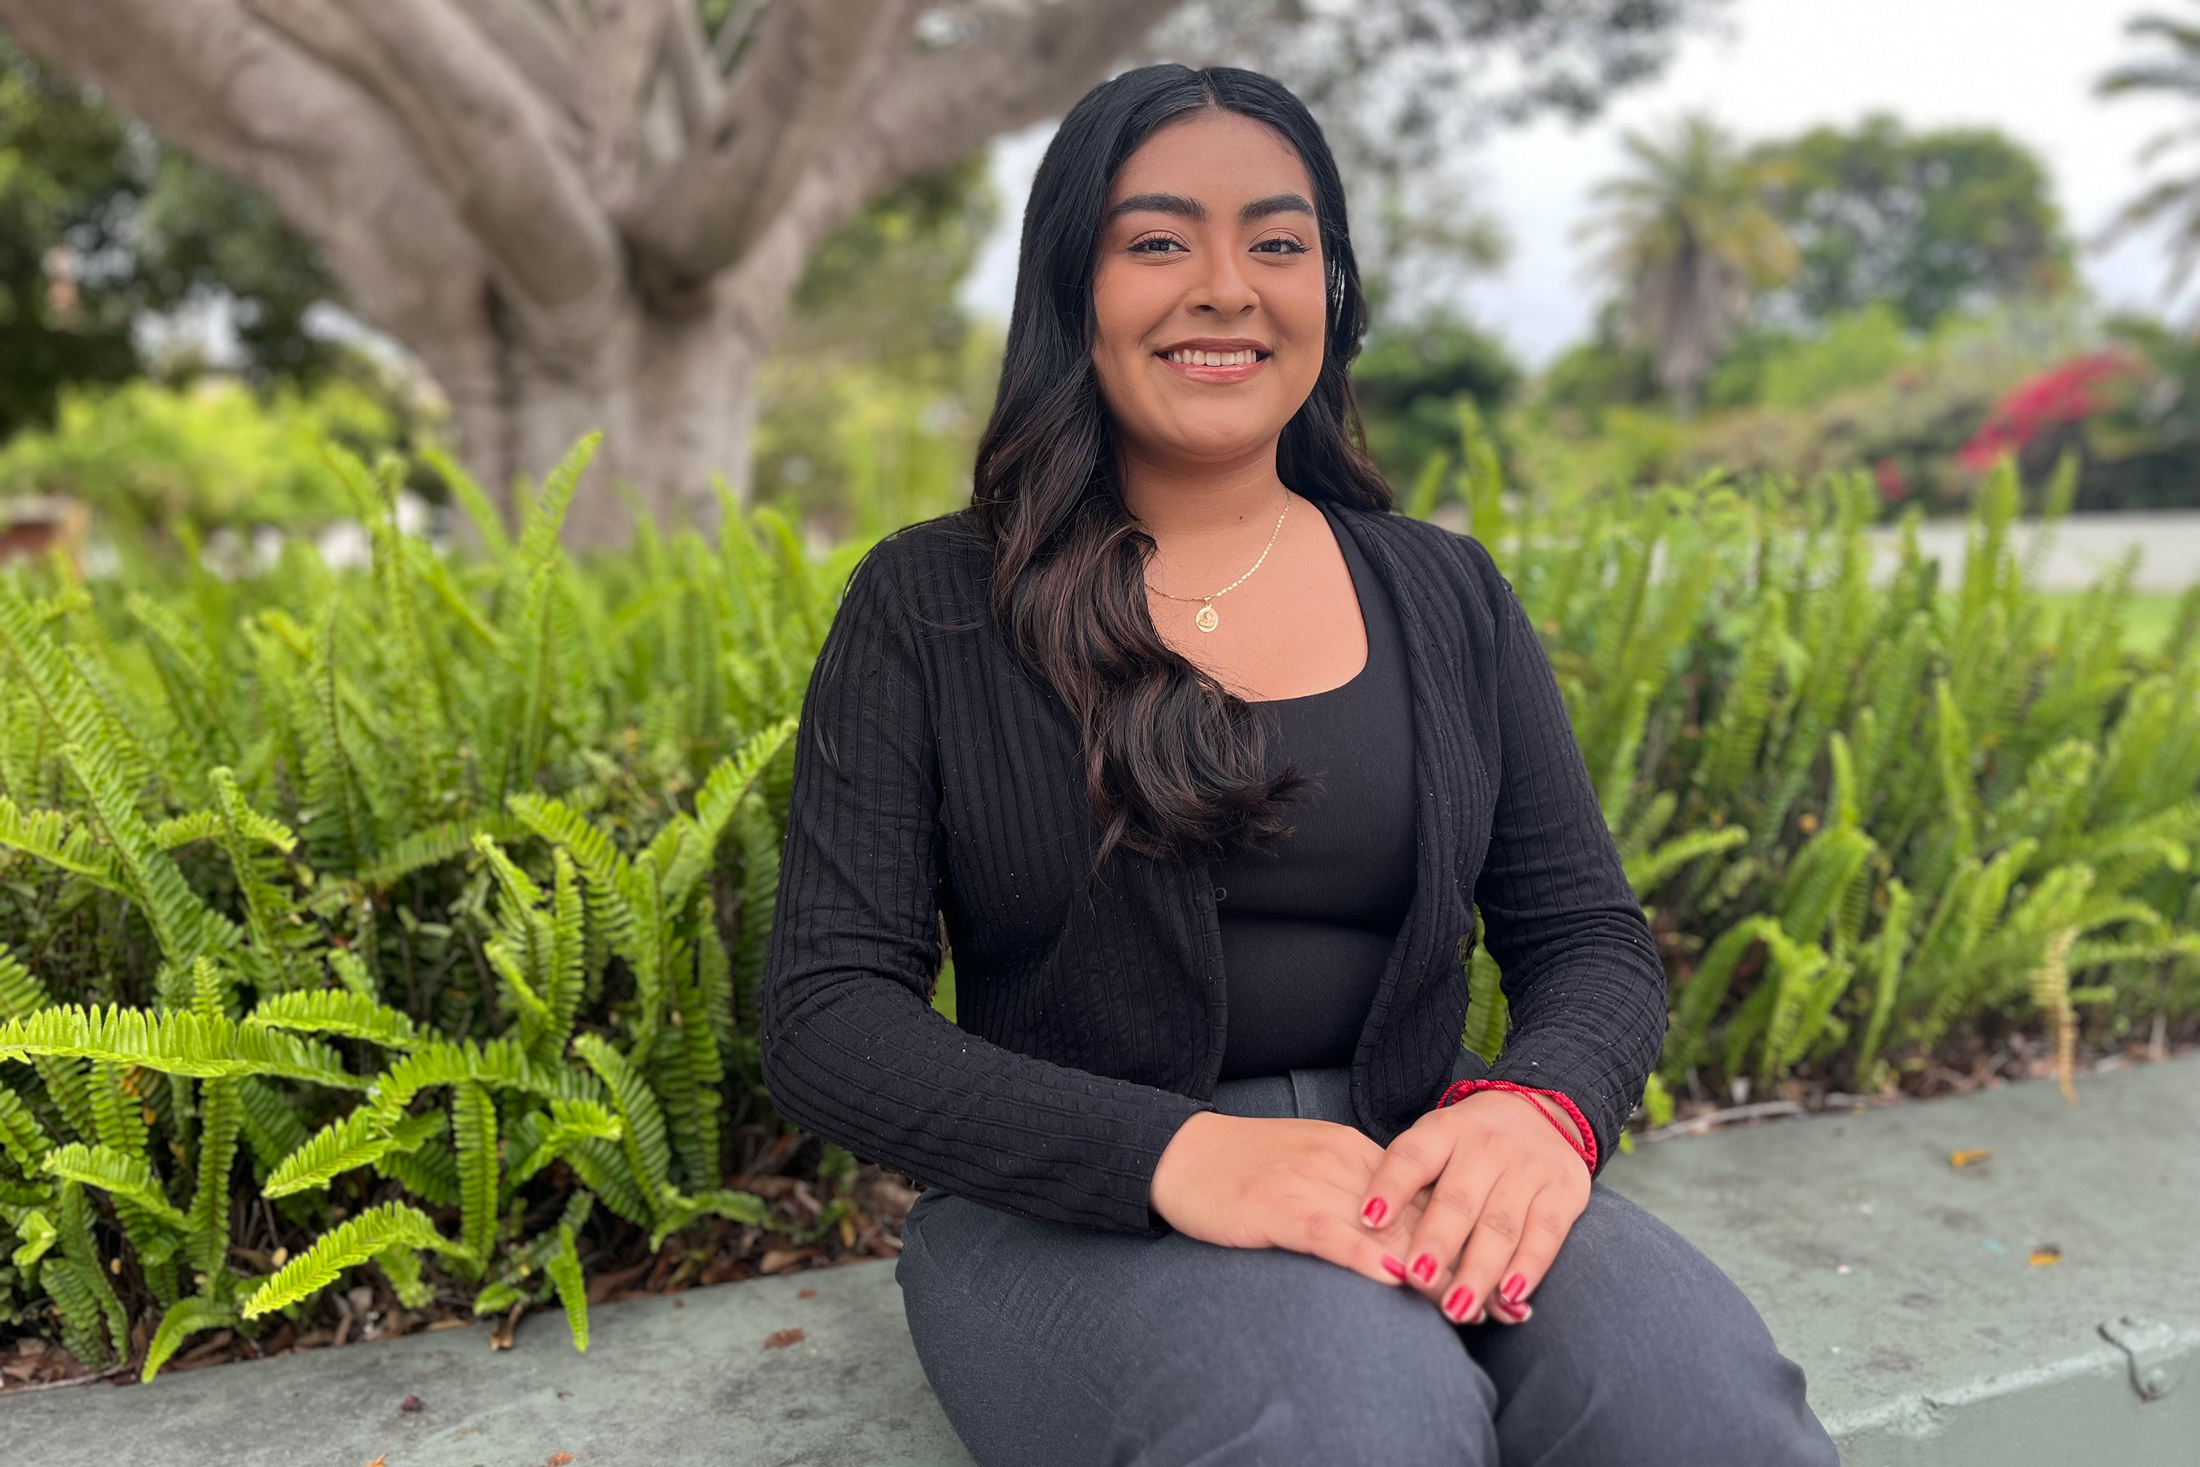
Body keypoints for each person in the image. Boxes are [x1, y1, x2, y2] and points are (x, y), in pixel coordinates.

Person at [760, 61, 1839, 1467]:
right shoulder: (928, 606)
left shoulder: (1444, 593)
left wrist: (1541, 1109)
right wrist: (1179, 1156)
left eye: (1279, 242)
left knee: (1704, 1410)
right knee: (1349, 1418)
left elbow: (1587, 938)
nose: (1228, 287)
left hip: (1418, 1150)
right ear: (1068, 288)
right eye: (1158, 242)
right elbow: (830, 1018)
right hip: (1067, 1204)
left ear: (1331, 288)